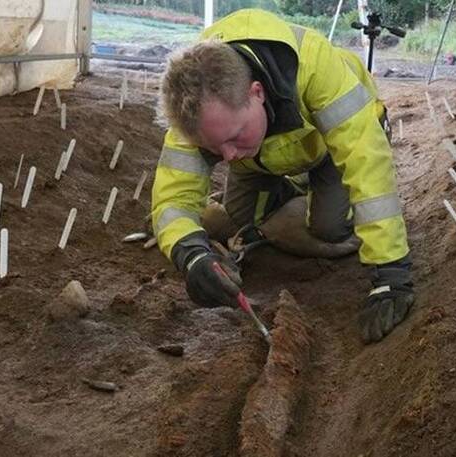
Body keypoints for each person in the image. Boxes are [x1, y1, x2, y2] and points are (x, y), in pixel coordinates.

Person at [150, 8, 414, 343]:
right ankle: (290, 197)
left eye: (233, 137)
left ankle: (313, 198)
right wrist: (191, 254)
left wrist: (390, 272)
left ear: (256, 93)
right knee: (241, 218)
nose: (227, 156)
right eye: (215, 148)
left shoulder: (316, 68)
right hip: (264, 159)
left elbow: (367, 167)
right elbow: (173, 199)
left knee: (329, 227)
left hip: (331, 148)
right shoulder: (194, 111)